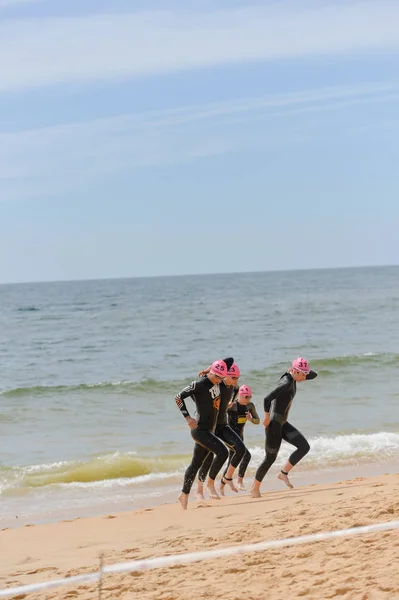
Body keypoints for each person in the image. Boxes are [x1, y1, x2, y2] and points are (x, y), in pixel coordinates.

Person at [250, 357, 317, 498]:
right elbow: (267, 398)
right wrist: (266, 417)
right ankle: (254, 488)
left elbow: (313, 374)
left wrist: (304, 369)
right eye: (302, 374)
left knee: (304, 447)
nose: (305, 377)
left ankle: (283, 473)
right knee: (269, 459)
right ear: (295, 372)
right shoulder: (286, 383)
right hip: (274, 424)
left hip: (283, 423)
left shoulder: (294, 377)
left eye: (305, 374)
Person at [175, 359, 229, 510]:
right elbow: (178, 397)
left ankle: (183, 495)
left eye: (221, 378)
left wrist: (208, 368)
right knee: (223, 452)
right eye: (217, 377)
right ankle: (210, 484)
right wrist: (187, 417)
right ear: (213, 373)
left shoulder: (215, 379)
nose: (219, 381)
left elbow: (228, 360)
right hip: (200, 430)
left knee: (196, 464)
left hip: (209, 430)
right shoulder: (199, 385)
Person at [195, 361, 247, 501]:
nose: (237, 381)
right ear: (225, 376)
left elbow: (235, 390)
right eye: (234, 378)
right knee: (208, 456)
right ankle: (200, 489)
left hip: (223, 425)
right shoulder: (217, 385)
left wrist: (232, 403)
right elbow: (200, 389)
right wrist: (208, 371)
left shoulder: (233, 387)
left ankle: (227, 478)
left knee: (240, 449)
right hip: (209, 426)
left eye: (238, 377)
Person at [225, 384, 260, 490]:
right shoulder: (232, 406)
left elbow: (257, 421)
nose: (248, 399)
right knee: (246, 456)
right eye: (246, 397)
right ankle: (239, 481)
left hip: (240, 437)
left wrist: (250, 419)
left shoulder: (250, 406)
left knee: (232, 461)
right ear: (239, 395)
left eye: (250, 397)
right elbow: (219, 414)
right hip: (229, 437)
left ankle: (221, 486)